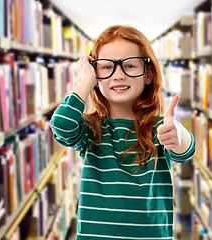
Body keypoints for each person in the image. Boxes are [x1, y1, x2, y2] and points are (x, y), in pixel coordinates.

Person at [50, 25, 195, 240]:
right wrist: (86, 82)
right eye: (107, 67)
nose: (118, 75)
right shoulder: (91, 129)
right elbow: (60, 124)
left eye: (129, 65)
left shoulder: (160, 128)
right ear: (95, 74)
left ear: (148, 74)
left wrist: (180, 135)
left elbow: (185, 151)